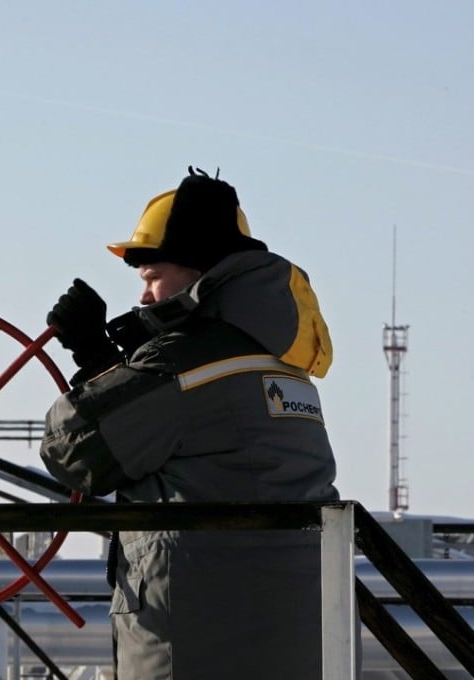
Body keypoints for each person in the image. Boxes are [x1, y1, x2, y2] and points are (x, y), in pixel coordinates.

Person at [40, 167, 352, 678]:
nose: (143, 297)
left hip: (194, 641)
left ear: (199, 271)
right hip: (293, 639)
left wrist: (98, 364)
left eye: (151, 276)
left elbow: (74, 453)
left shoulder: (186, 364)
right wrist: (109, 366)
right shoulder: (281, 361)